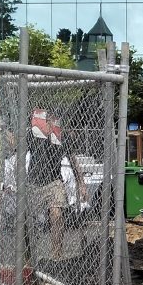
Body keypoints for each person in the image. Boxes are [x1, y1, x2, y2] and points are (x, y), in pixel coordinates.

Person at [26, 109, 87, 260]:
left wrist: (81, 184)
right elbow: (16, 148)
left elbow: (73, 160)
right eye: (46, 120)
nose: (49, 123)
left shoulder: (60, 136)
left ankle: (56, 254)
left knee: (57, 215)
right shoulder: (33, 135)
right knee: (26, 220)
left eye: (51, 120)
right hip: (33, 182)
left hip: (54, 181)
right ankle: (27, 258)